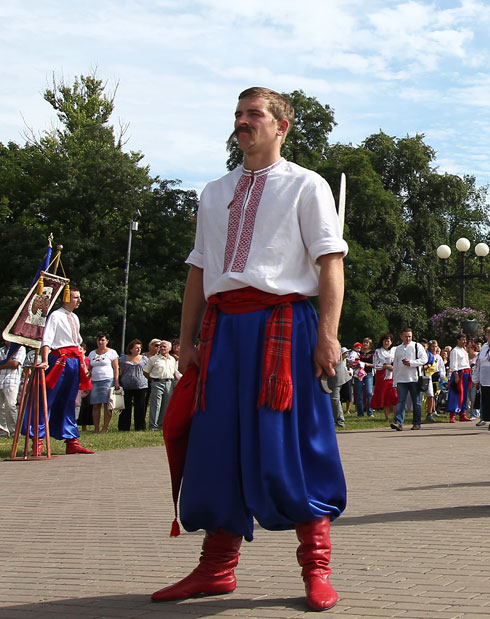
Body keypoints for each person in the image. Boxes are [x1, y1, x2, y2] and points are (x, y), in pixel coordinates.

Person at [153, 86, 346, 611]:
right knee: (215, 446)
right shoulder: (214, 192)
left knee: (294, 442)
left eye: (254, 114)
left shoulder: (307, 186)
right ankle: (216, 568)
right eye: (238, 114)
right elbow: (198, 270)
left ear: (281, 125)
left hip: (283, 327)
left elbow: (330, 261)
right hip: (222, 331)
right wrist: (186, 340)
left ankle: (317, 567)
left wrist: (328, 334)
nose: (243, 121)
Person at [28, 288, 94, 454]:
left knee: (69, 400)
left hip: (74, 362)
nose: (79, 300)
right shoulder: (56, 316)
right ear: (66, 298)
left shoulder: (75, 317)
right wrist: (44, 360)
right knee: (47, 400)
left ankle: (72, 440)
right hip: (59, 362)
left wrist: (84, 365)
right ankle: (38, 440)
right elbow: (47, 340)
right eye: (76, 297)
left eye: (79, 297)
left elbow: (78, 344)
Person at [391, 328, 427, 431]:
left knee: (417, 402)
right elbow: (396, 366)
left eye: (409, 336)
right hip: (401, 379)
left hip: (414, 379)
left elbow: (424, 359)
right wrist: (395, 381)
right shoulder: (398, 348)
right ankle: (398, 422)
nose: (408, 338)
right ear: (401, 336)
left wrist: (411, 363)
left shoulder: (417, 346)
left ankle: (417, 422)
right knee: (401, 401)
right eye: (406, 336)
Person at [87, 334, 120, 434]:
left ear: (107, 341)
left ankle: (105, 428)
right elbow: (89, 368)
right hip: (95, 381)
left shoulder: (112, 352)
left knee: (106, 405)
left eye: (102, 340)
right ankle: (96, 428)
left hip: (107, 380)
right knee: (96, 405)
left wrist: (116, 381)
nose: (100, 342)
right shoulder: (92, 353)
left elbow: (116, 368)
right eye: (99, 340)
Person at [0, 344, 28, 438]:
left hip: (11, 380)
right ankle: (2, 433)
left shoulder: (20, 348)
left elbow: (15, 364)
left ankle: (14, 432)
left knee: (10, 405)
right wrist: (1, 364)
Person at [145, 340, 178, 430]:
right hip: (157, 382)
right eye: (161, 346)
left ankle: (162, 425)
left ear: (169, 348)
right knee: (156, 405)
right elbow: (145, 371)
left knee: (166, 405)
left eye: (164, 347)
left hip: (169, 383)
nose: (162, 348)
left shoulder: (172, 359)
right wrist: (153, 380)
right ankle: (153, 426)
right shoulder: (154, 359)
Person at [118, 339, 149, 431]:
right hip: (126, 385)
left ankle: (140, 426)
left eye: (140, 348)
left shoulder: (144, 359)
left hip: (141, 385)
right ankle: (124, 426)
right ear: (131, 349)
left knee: (140, 406)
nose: (138, 350)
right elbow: (120, 371)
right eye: (136, 348)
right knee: (125, 407)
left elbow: (148, 370)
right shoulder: (122, 359)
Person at [370, 334, 397, 422]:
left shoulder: (395, 350)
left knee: (394, 396)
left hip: (393, 376)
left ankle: (396, 416)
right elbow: (375, 364)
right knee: (385, 397)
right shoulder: (378, 351)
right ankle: (387, 417)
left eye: (388, 341)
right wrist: (385, 366)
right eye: (385, 341)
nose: (386, 343)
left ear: (391, 342)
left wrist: (393, 367)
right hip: (382, 377)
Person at [447, 333, 474, 422]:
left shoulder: (463, 350)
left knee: (464, 394)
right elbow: (453, 364)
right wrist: (456, 375)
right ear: (458, 340)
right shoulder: (455, 351)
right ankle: (453, 414)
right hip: (459, 373)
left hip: (466, 372)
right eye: (462, 340)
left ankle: (463, 413)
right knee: (456, 393)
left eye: (465, 340)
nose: (464, 341)